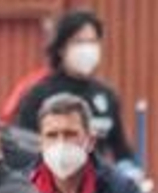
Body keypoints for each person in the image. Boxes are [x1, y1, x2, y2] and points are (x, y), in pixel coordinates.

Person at [14, 10, 136, 169]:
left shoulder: (106, 96)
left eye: (92, 42)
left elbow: (120, 149)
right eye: (79, 42)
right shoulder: (38, 95)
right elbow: (21, 146)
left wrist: (129, 168)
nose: (87, 49)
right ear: (61, 48)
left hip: (97, 180)